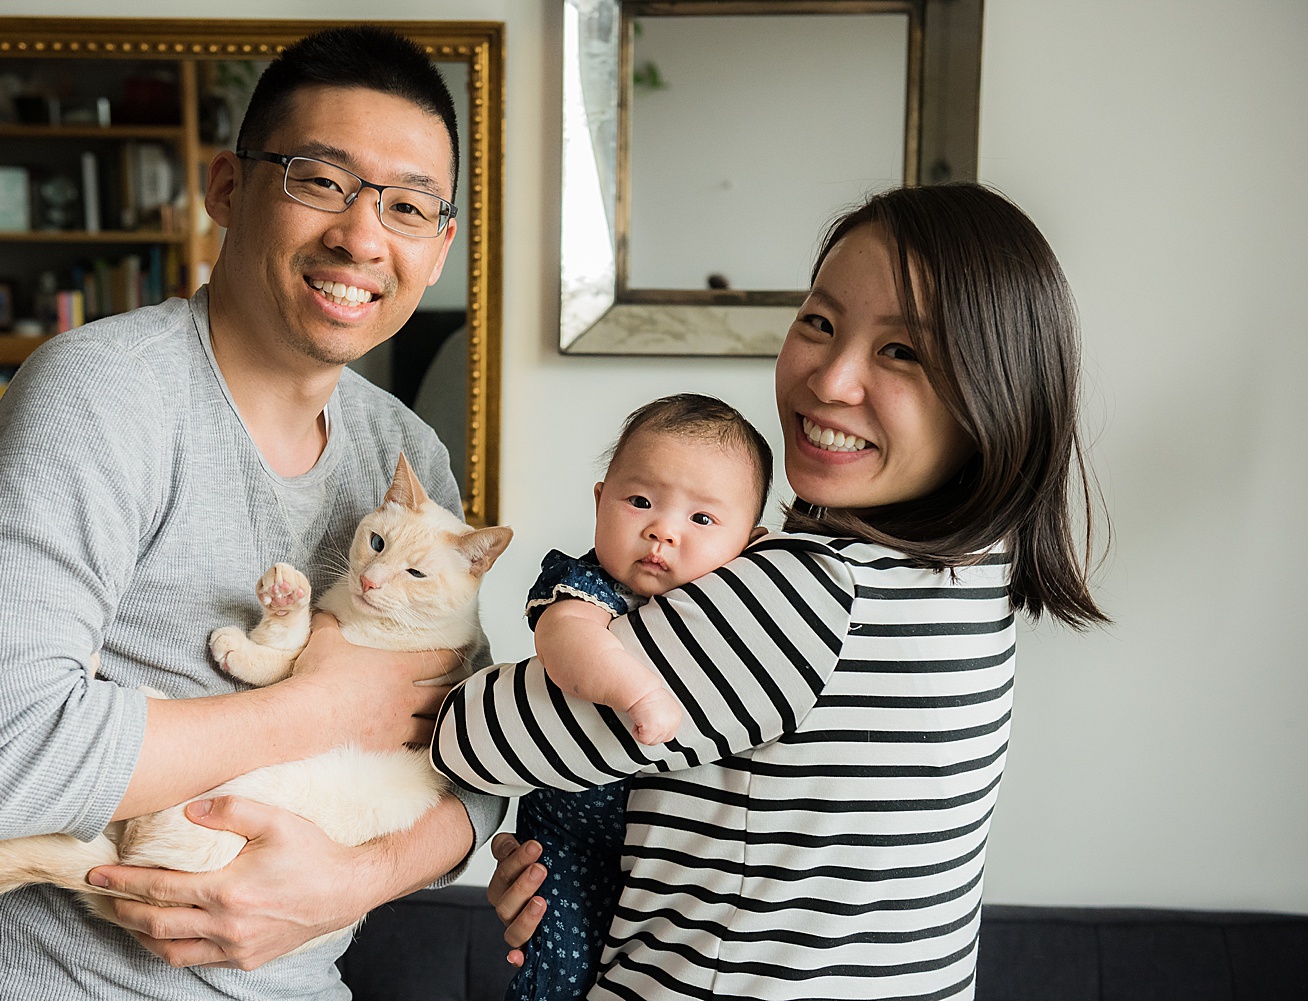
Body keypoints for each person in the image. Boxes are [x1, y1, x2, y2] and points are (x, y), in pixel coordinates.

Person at [0, 26, 504, 1001]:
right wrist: (315, 707)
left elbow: (476, 758)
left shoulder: (404, 455)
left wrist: (357, 878)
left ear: (436, 249)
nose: (361, 234)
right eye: (321, 179)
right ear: (228, 189)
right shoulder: (98, 396)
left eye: (406, 206)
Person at [433, 183, 1108, 1001]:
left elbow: (473, 735)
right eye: (819, 322)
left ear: (994, 395)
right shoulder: (974, 575)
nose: (830, 379)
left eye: (902, 351)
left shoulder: (815, 592)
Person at [511, 393, 773, 1001]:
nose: (662, 530)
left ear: (751, 545)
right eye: (641, 502)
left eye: (701, 520)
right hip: (570, 834)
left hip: (671, 851)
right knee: (556, 968)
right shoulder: (585, 588)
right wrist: (637, 694)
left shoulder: (736, 615)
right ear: (600, 500)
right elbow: (567, 647)